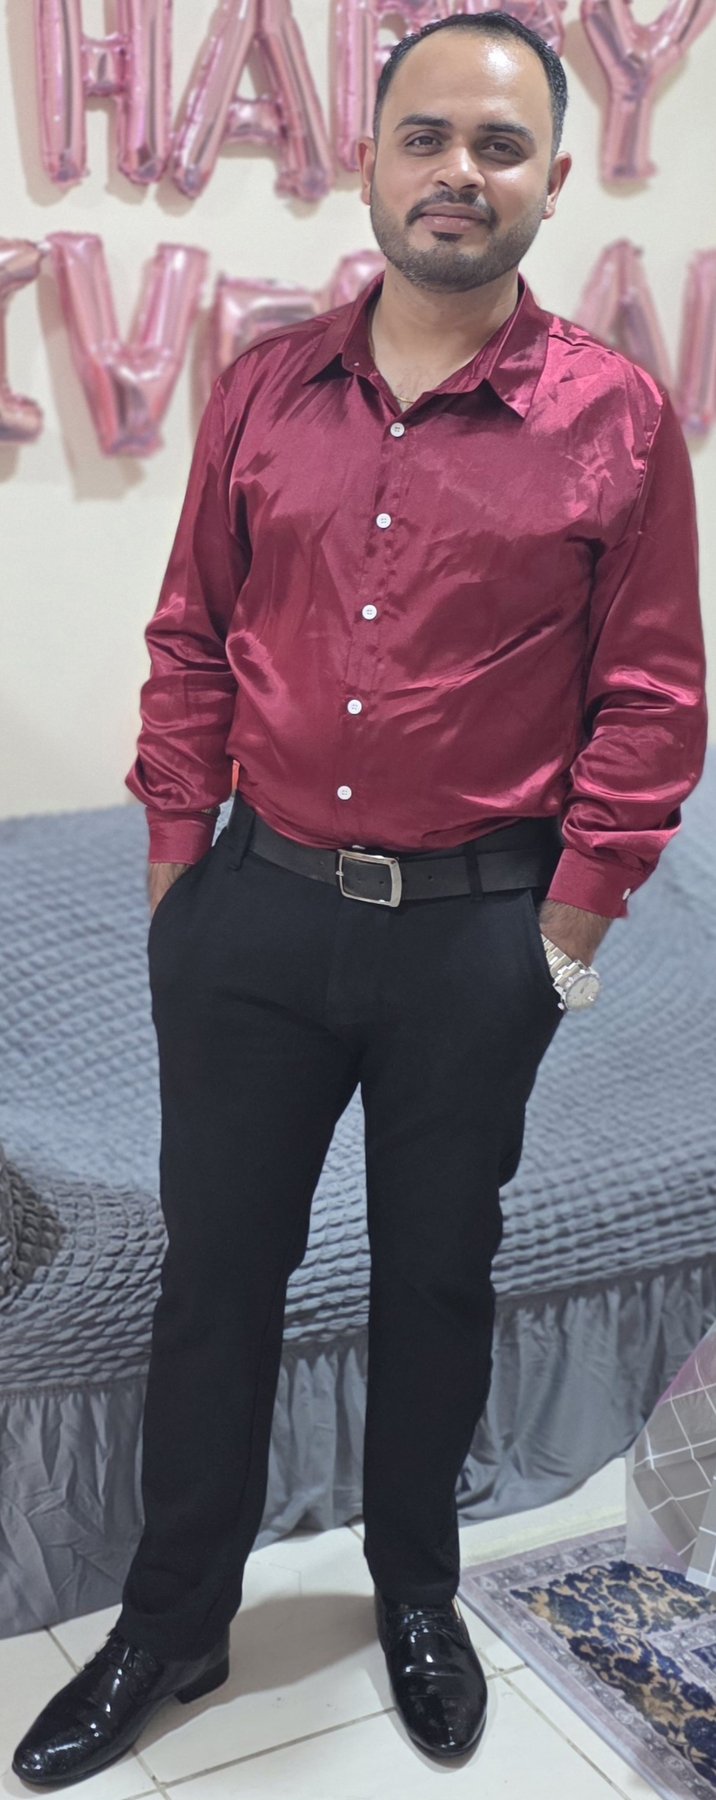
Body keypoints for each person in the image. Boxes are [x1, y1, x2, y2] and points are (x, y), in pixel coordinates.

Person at [13, 9, 707, 1786]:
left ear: (553, 178)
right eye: (426, 137)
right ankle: (173, 1622)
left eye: (497, 145)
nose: (458, 172)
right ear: (373, 161)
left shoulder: (615, 420)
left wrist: (569, 931)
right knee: (214, 1281)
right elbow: (191, 637)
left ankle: (416, 1595)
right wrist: (176, 882)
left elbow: (653, 698)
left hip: (478, 935)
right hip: (251, 913)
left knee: (437, 1275)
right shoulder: (265, 389)